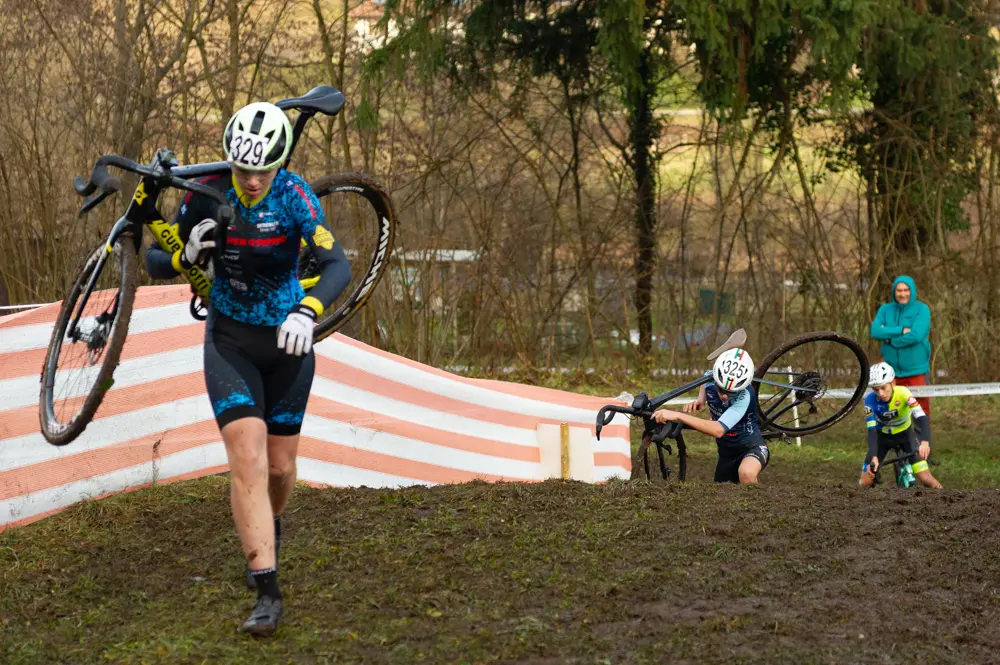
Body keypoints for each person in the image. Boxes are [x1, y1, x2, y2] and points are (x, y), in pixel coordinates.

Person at [145, 101, 352, 635]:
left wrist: (309, 310)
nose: (252, 180)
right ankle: (267, 591)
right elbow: (153, 260)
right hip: (230, 339)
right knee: (248, 459)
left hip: (287, 340)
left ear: (279, 164)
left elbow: (337, 263)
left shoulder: (295, 195)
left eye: (263, 170)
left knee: (280, 470)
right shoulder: (206, 191)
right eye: (243, 169)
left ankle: (271, 524)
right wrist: (184, 256)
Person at [652, 348, 770, 484]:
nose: (724, 396)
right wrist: (701, 399)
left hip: (752, 447)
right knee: (723, 492)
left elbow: (718, 430)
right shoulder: (711, 377)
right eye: (721, 389)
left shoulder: (745, 396)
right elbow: (706, 377)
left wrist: (678, 415)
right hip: (726, 453)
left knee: (746, 474)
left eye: (732, 393)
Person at [859, 362, 942, 489]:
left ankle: (948, 498)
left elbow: (921, 417)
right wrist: (874, 457)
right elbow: (872, 431)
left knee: (926, 479)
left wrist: (925, 442)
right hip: (882, 439)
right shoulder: (870, 400)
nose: (881, 393)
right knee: (865, 483)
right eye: (876, 389)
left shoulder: (903, 393)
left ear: (893, 383)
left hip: (906, 436)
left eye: (883, 388)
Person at [870, 275, 932, 414]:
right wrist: (901, 330)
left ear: (912, 291)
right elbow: (875, 331)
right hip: (891, 374)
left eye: (906, 290)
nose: (902, 294)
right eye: (899, 290)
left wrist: (891, 340)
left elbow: (916, 335)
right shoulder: (885, 310)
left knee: (920, 411)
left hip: (916, 371)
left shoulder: (922, 309)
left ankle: (921, 430)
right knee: (893, 411)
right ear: (894, 292)